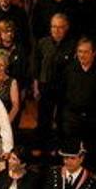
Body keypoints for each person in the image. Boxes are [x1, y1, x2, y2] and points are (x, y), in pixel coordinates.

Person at [59, 38, 96, 171]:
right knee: (72, 161)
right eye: (80, 51)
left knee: (93, 164)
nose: (82, 55)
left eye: (86, 52)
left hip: (94, 125)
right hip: (72, 123)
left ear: (93, 53)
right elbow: (61, 98)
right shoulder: (69, 70)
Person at [32, 13, 76, 151]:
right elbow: (36, 66)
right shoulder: (42, 43)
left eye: (60, 27)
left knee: (62, 120)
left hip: (65, 88)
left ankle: (61, 150)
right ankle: (43, 150)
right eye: (54, 27)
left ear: (67, 27)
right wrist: (35, 87)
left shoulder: (73, 44)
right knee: (44, 119)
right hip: (45, 85)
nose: (56, 31)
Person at [0, 49, 21, 127]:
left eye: (1, 65)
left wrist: (5, 124)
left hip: (5, 119)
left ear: (6, 65)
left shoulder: (12, 82)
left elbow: (15, 106)